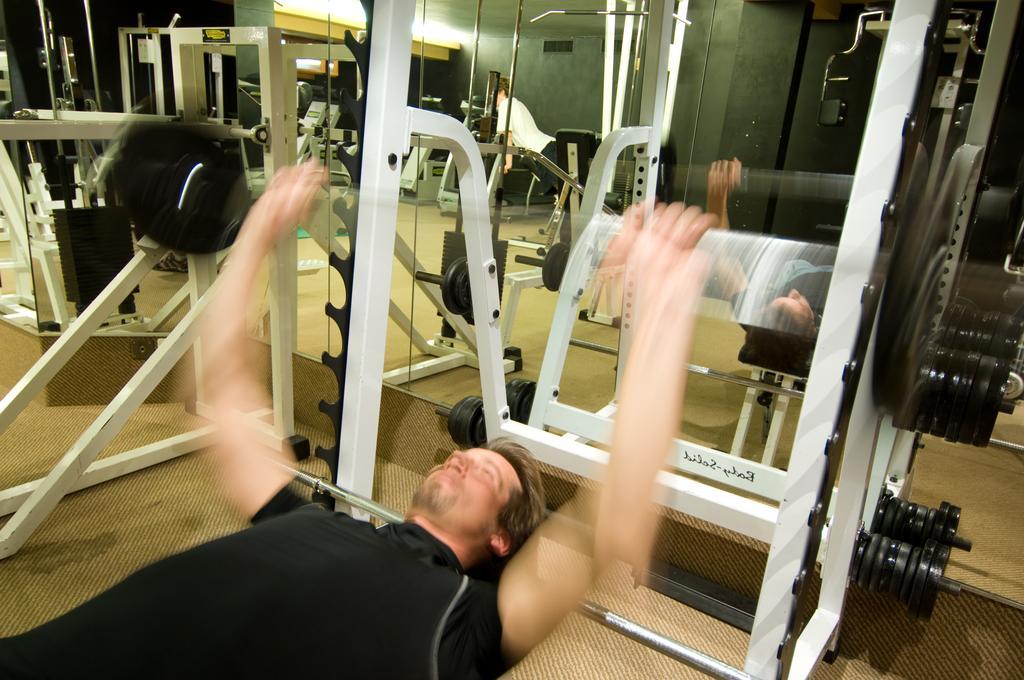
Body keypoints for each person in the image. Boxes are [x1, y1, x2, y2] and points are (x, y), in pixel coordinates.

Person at [0, 162, 714, 679]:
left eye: (485, 473)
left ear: (502, 538)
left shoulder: (472, 625)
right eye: (460, 458)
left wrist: (668, 306)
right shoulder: (303, 518)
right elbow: (224, 394)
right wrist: (257, 235)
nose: (458, 458)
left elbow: (616, 514)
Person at [706, 158, 834, 376]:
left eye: (779, 301)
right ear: (812, 328)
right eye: (797, 302)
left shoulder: (755, 317)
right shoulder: (834, 312)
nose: (794, 292)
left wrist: (717, 195)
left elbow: (721, 256)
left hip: (796, 267)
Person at [494, 76, 559, 195]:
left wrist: (508, 163)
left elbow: (507, 137)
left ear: (502, 92)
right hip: (549, 146)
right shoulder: (517, 103)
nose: (492, 99)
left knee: (568, 196)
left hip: (543, 151)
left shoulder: (505, 105)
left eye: (493, 95)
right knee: (565, 196)